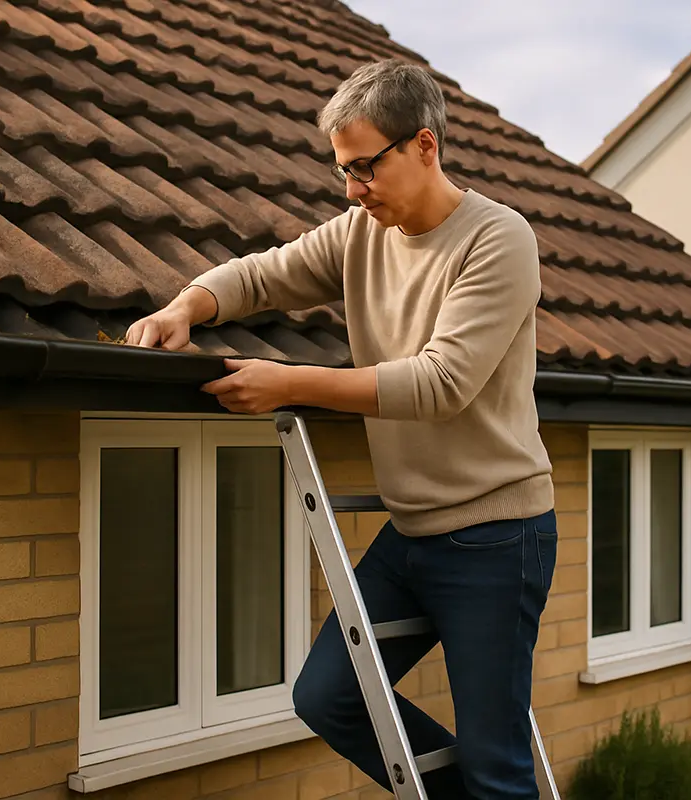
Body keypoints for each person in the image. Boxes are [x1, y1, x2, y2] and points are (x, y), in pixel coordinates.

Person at [124, 59, 557, 799]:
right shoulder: (361, 232)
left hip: (494, 534)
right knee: (326, 697)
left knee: (496, 761)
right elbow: (263, 275)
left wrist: (285, 383)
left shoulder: (498, 239)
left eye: (364, 169)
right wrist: (184, 308)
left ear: (424, 146)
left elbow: (440, 382)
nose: (352, 190)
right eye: (343, 172)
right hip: (413, 534)